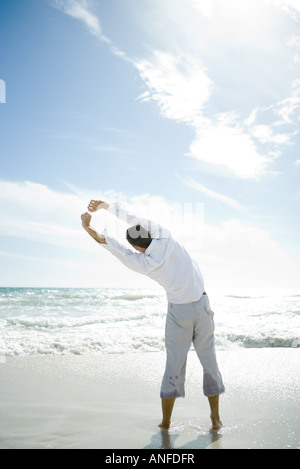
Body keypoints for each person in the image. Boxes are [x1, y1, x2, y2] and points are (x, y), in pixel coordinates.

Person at [81, 200, 225, 431]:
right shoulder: (165, 236)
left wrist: (88, 227)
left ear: (137, 248)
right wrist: (105, 206)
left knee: (173, 365)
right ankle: (216, 419)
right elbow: (131, 217)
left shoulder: (145, 263)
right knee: (209, 361)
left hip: (179, 313)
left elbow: (111, 244)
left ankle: (166, 422)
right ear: (148, 232)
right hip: (202, 306)